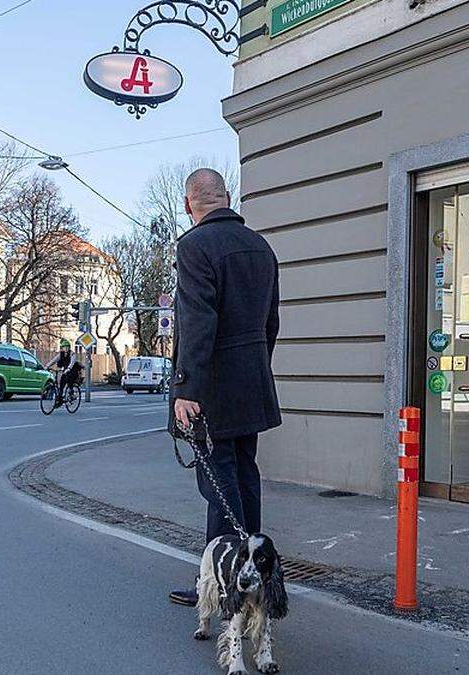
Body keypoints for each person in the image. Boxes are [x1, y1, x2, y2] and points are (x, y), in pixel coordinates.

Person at [167, 168, 281, 608]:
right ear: (227, 198)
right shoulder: (261, 246)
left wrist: (186, 389)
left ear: (188, 203)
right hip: (251, 382)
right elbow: (271, 322)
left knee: (219, 487)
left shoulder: (194, 245)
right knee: (245, 477)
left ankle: (219, 582)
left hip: (210, 389)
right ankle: (256, 573)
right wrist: (256, 367)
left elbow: (197, 321)